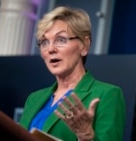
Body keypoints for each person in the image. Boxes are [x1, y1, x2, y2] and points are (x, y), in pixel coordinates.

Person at [19, 6, 125, 141]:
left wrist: (86, 137)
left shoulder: (107, 95)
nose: (51, 49)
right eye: (44, 42)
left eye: (61, 40)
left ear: (84, 46)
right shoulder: (34, 98)